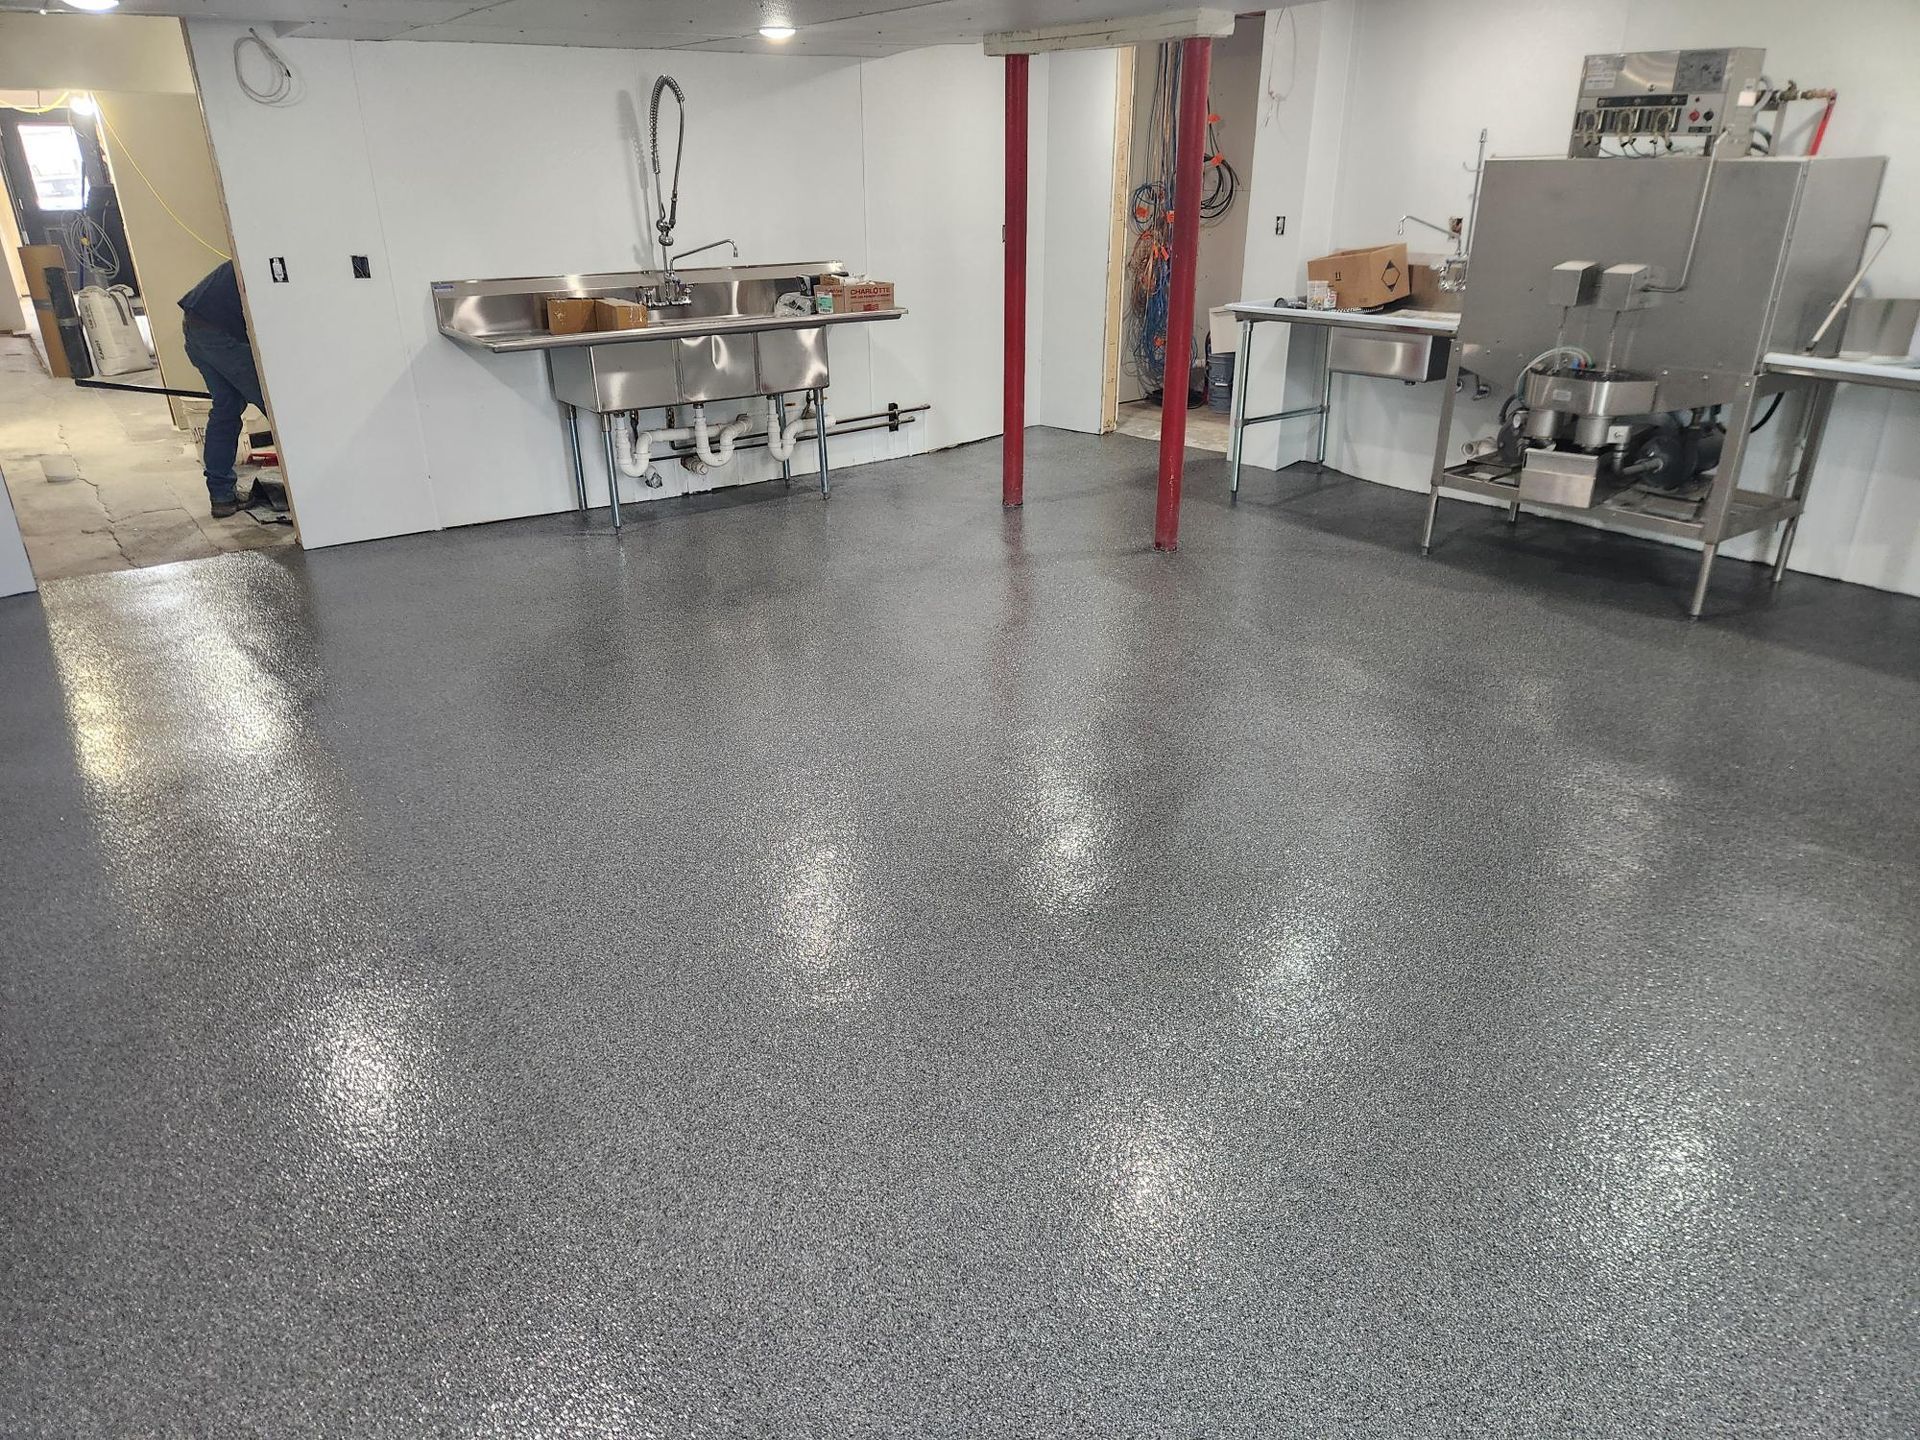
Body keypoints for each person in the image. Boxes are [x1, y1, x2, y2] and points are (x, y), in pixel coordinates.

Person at [179, 260, 266, 518]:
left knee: (227, 408)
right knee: (279, 409)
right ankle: (313, 489)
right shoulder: (273, 255)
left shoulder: (258, 249)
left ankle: (222, 495)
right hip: (219, 330)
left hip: (196, 325)